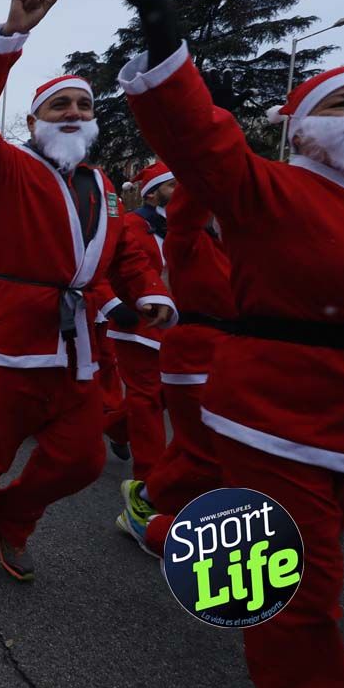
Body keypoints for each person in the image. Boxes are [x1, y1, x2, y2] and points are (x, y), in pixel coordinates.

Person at [93, 0, 344, 688]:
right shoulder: (270, 190)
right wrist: (160, 25)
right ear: (307, 128)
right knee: (301, 603)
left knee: (280, 547)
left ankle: (172, 532)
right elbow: (200, 145)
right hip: (278, 418)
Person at [0, 0, 174, 583]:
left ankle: (13, 520)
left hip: (75, 350)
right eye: (59, 106)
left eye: (82, 104)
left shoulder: (103, 184)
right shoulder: (4, 169)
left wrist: (147, 293)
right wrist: (8, 39)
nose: (73, 112)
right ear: (34, 121)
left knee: (80, 460)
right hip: (4, 344)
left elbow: (124, 252)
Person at [115, 183, 232, 556]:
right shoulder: (184, 234)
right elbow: (125, 264)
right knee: (159, 409)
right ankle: (148, 493)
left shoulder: (227, 243)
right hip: (172, 339)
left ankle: (146, 484)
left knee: (183, 427)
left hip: (229, 352)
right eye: (166, 184)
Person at [103, 163, 176, 483]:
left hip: (179, 327)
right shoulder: (131, 225)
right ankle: (151, 484)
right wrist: (119, 305)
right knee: (147, 400)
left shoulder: (189, 226)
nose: (179, 191)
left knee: (166, 397)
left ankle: (115, 427)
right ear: (152, 192)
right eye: (171, 186)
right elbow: (112, 267)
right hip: (137, 327)